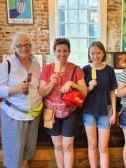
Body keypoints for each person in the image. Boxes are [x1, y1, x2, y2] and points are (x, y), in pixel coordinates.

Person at [0, 31, 43, 168]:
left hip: (34, 114)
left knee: (28, 150)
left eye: (27, 45)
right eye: (20, 45)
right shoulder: (7, 64)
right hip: (14, 114)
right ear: (13, 47)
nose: (24, 48)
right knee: (14, 154)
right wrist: (16, 88)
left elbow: (38, 87)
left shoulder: (36, 64)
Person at [39, 38, 87, 168]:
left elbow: (85, 91)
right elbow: (41, 92)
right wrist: (51, 83)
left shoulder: (76, 69)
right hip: (51, 113)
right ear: (54, 52)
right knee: (58, 146)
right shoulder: (47, 69)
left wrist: (72, 83)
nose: (62, 54)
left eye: (65, 51)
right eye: (59, 51)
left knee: (67, 145)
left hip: (70, 113)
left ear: (69, 52)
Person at [82, 41, 117, 168]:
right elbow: (82, 93)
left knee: (103, 147)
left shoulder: (109, 70)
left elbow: (112, 92)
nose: (95, 56)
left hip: (105, 111)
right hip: (89, 111)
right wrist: (90, 87)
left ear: (103, 54)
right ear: (89, 54)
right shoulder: (85, 70)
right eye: (92, 53)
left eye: (98, 53)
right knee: (92, 145)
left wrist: (113, 112)